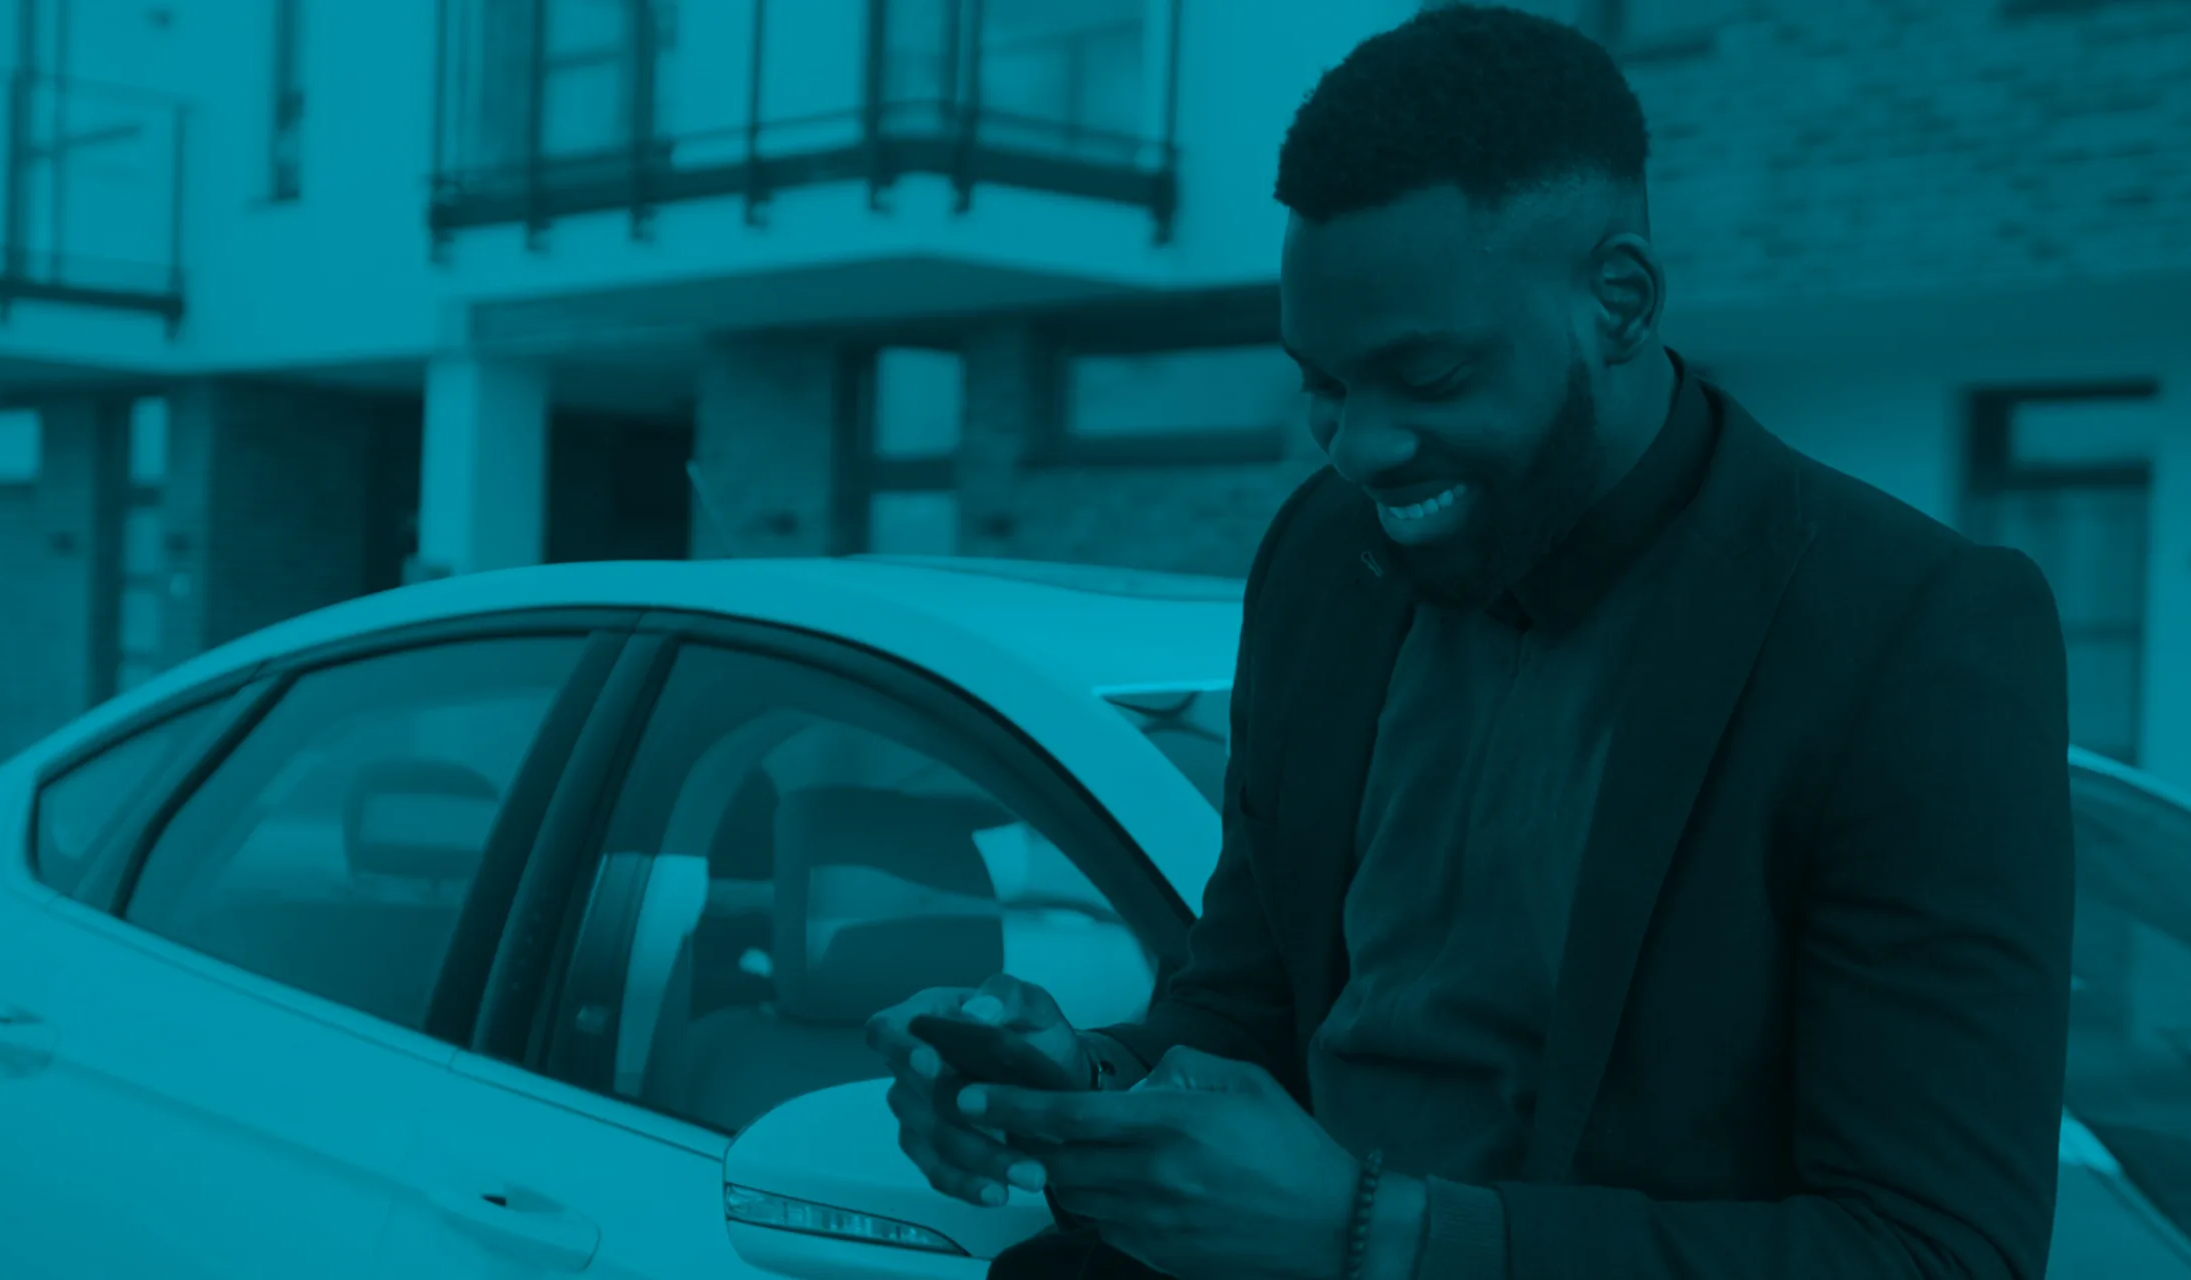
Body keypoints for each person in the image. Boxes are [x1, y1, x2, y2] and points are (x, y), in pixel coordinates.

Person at [865, 6, 2076, 1278]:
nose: (1359, 447)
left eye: (1428, 380)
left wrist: (1377, 1231)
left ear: (1620, 298)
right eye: (1322, 384)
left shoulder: (1909, 634)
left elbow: (1939, 1252)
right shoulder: (1322, 560)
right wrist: (1085, 1080)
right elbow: (1248, 1002)